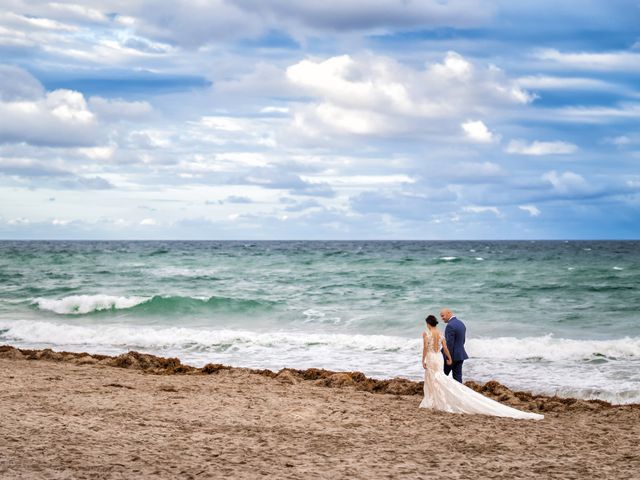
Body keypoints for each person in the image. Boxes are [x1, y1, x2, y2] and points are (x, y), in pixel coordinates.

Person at [419, 314, 543, 419]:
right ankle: (443, 398)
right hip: (439, 358)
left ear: (428, 324)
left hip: (431, 357)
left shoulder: (426, 333)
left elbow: (425, 347)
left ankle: (432, 400)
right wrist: (449, 358)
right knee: (439, 377)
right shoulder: (440, 334)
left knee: (432, 379)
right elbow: (445, 348)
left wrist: (423, 359)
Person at [440, 308, 468, 383]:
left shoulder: (450, 326)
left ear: (449, 313)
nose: (442, 318)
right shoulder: (461, 323)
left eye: (443, 316)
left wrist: (447, 357)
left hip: (451, 357)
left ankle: (442, 394)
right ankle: (459, 394)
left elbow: (449, 344)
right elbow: (462, 341)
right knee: (458, 379)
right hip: (460, 355)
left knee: (442, 376)